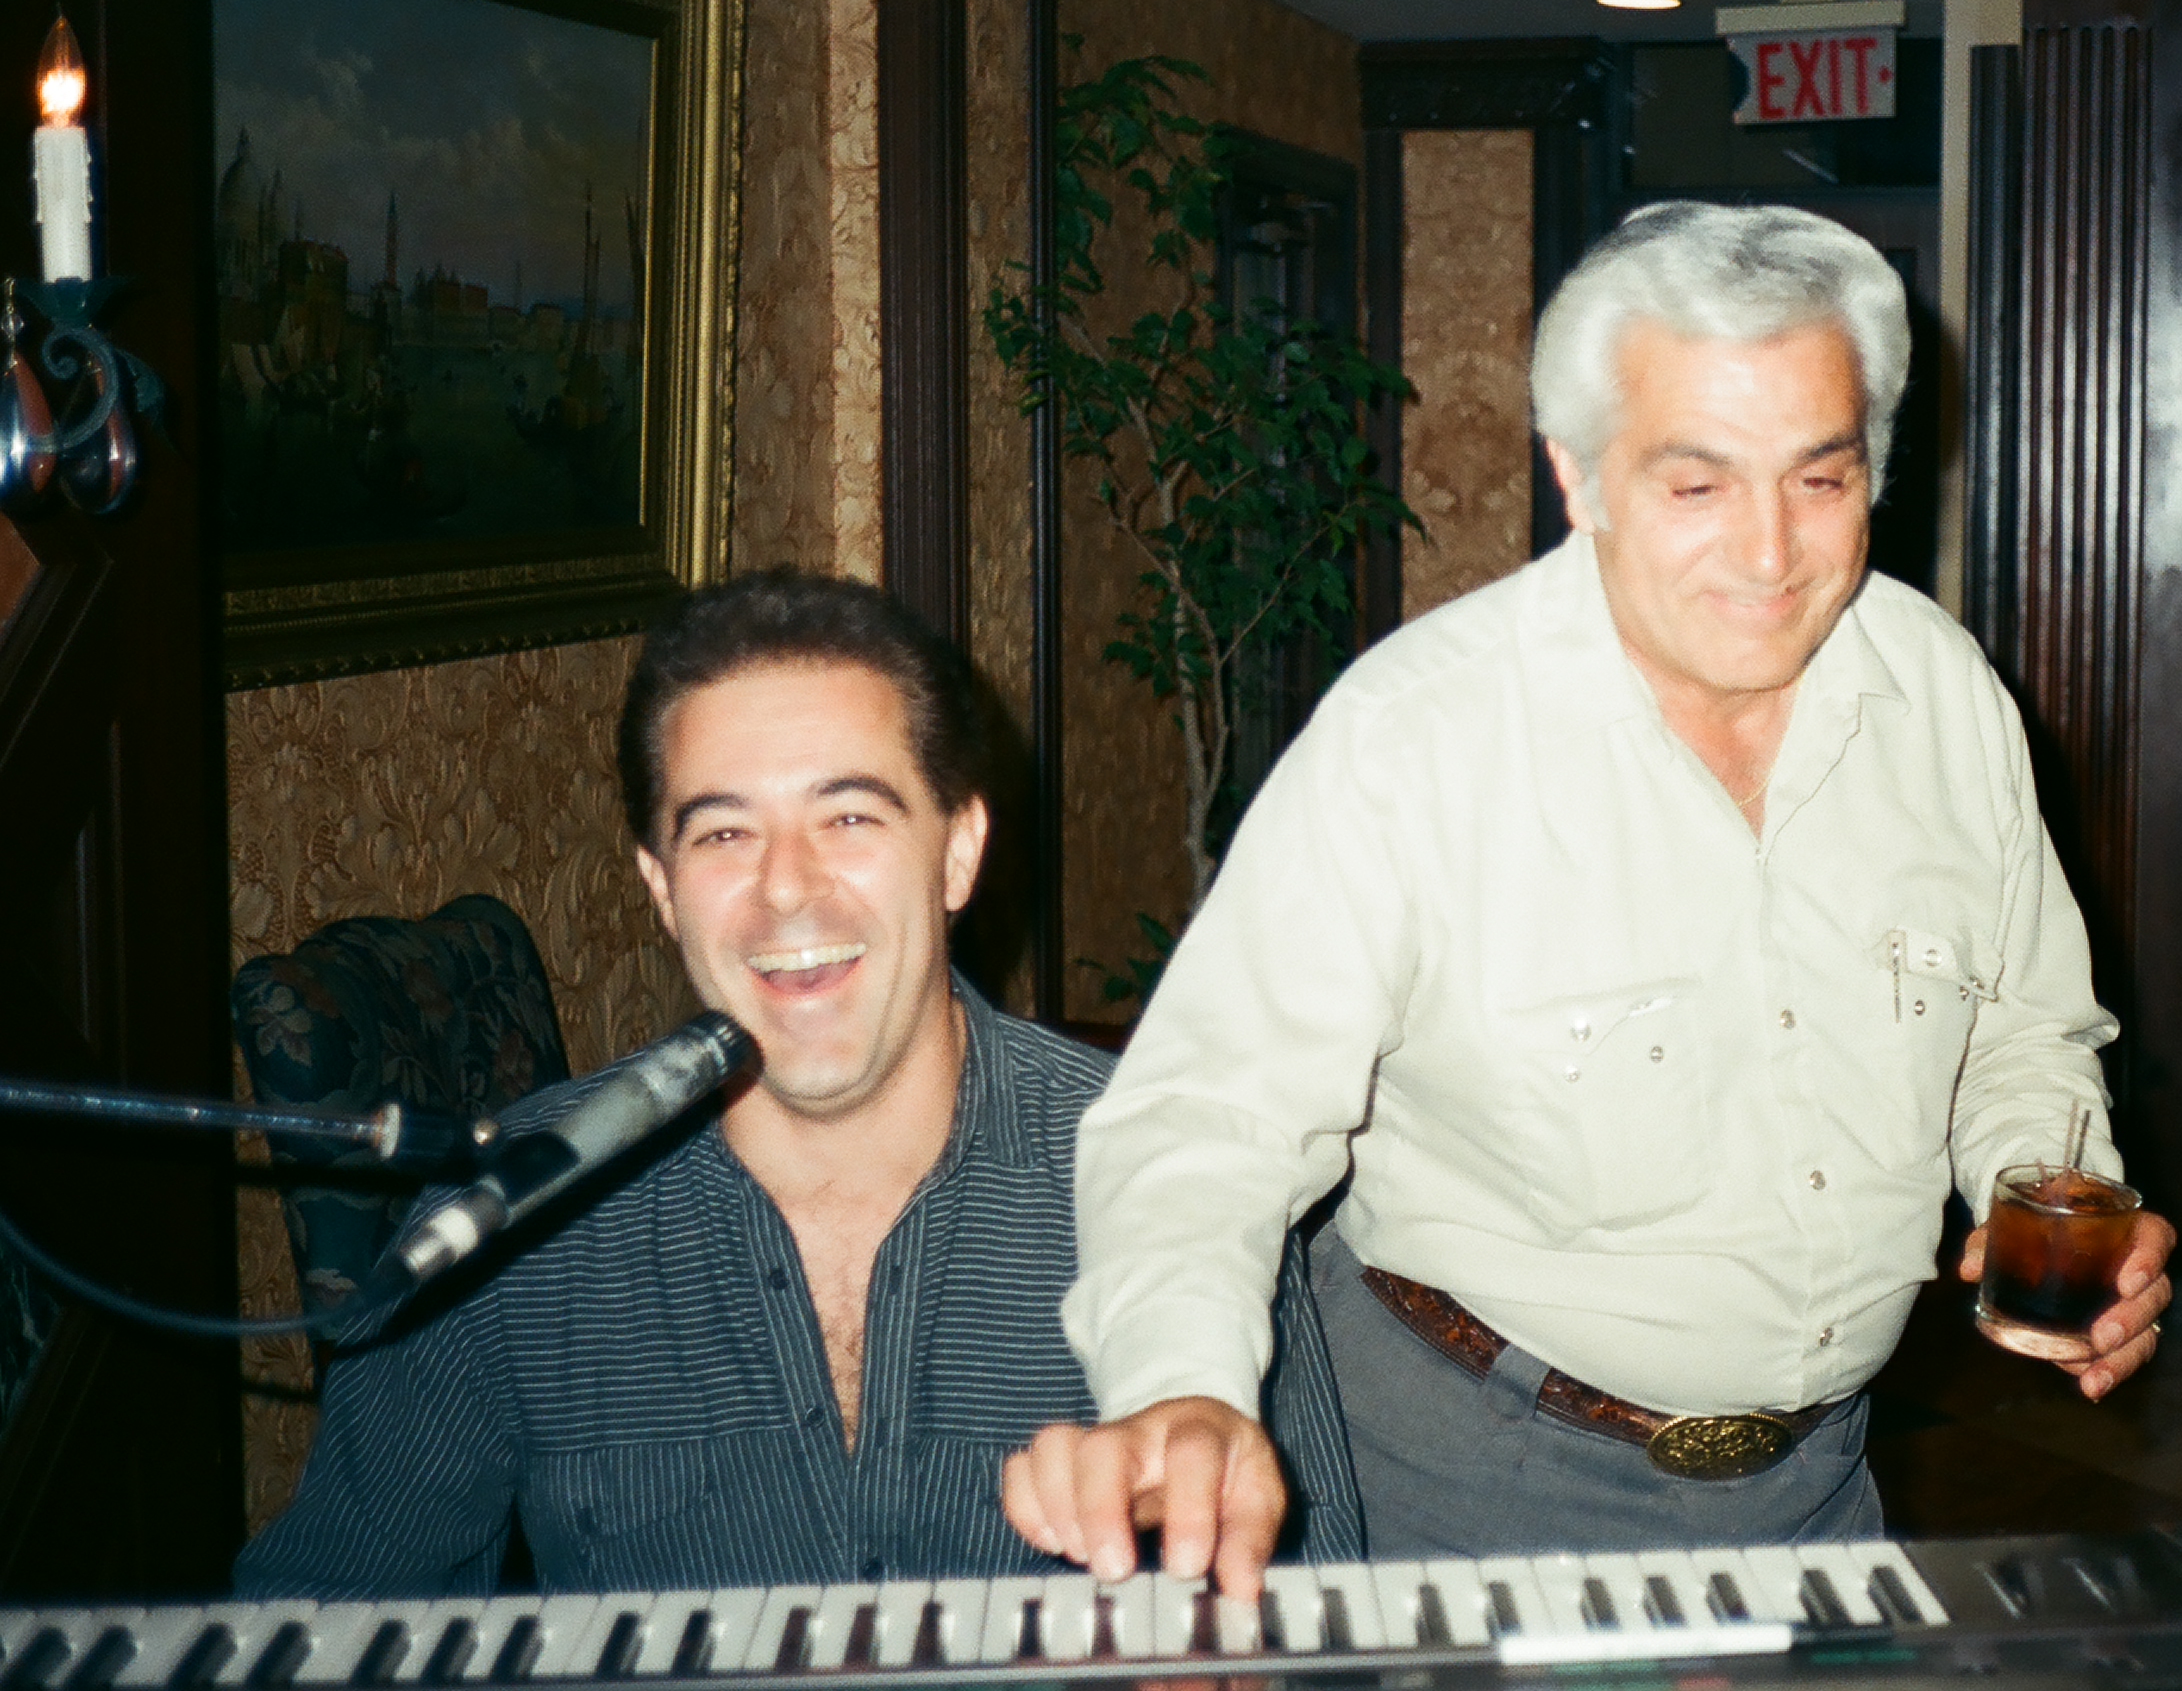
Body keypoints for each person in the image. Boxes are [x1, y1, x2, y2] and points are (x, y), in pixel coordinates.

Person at [1017, 201, 2174, 1577]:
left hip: (1820, 1487)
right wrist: (1184, 1393)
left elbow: (2023, 1026)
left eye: (1821, 479)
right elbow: (1207, 1122)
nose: (1770, 556)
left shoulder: (1942, 694)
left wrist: (2054, 1188)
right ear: (1579, 476)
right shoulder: (1416, 738)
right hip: (1458, 1490)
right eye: (1698, 486)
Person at [238, 572, 1360, 1602]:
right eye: (723, 831)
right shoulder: (515, 1221)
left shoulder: (1187, 1191)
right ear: (662, 887)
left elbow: (1338, 1643)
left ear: (959, 850)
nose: (785, 887)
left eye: (850, 816)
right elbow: (326, 1628)